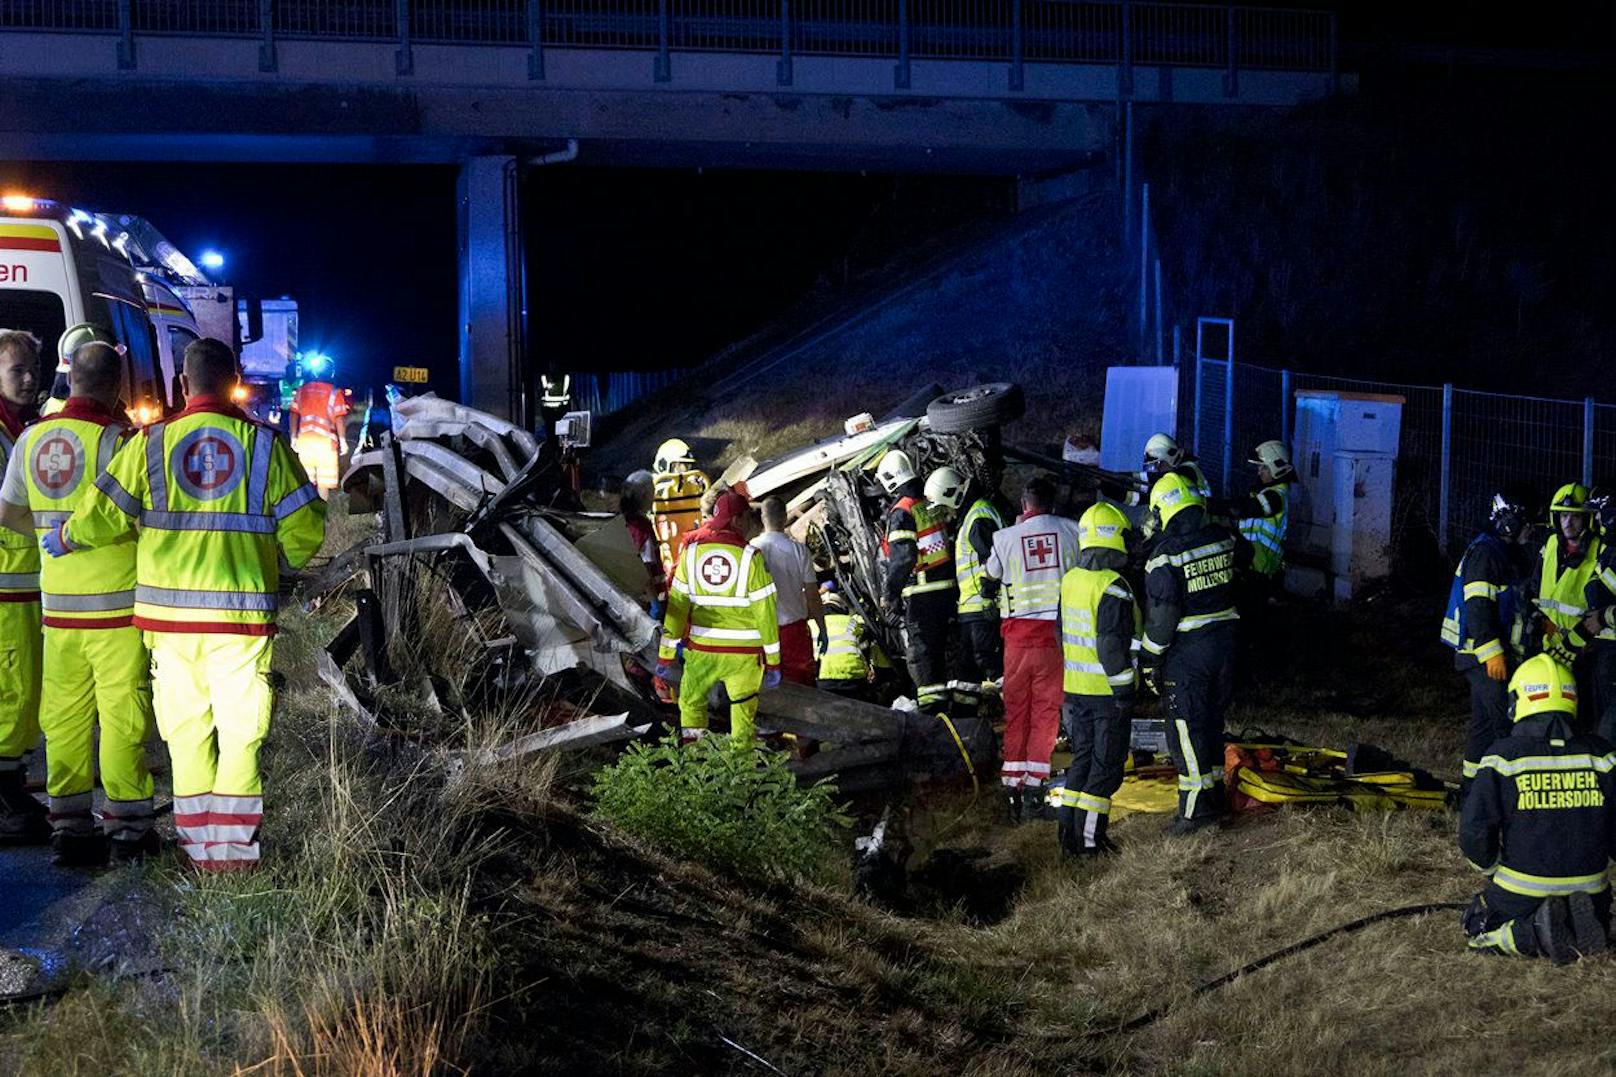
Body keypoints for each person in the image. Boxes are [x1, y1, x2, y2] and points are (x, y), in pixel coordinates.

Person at [56, 338, 328, 871]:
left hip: (169, 625)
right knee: (241, 735)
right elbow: (306, 530)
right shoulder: (266, 447)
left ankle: (196, 844)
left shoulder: (150, 444)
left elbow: (101, 514)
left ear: (183, 385)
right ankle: (230, 853)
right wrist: (281, 558)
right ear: (234, 381)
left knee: (184, 736)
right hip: (240, 623)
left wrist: (66, 536)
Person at [0, 342, 155, 866]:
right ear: (116, 387)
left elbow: (10, 512)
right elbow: (139, 520)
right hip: (115, 610)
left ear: (69, 379)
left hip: (57, 609)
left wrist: (49, 530)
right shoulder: (120, 443)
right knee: (121, 716)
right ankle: (129, 826)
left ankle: (68, 826)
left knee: (62, 717)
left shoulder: (31, 439)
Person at [1460, 654, 1614, 963]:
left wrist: (1491, 869)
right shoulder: (1604, 756)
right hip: (1592, 890)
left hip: (1522, 890)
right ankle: (1577, 922)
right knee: (1586, 909)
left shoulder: (1503, 757)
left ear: (1519, 700)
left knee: (1476, 924)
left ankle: (1531, 933)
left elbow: (1474, 832)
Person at [1141, 471, 1239, 834]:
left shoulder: (1164, 558)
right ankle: (1215, 796)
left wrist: (1149, 658)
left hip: (1189, 653)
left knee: (1185, 727)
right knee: (1212, 722)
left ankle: (1196, 812)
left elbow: (1163, 619)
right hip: (1227, 644)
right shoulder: (1222, 538)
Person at [982, 475, 1084, 820]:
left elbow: (991, 574)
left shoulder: (1004, 537)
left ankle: (1012, 786)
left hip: (1016, 638)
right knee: (1045, 711)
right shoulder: (1072, 530)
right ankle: (1035, 790)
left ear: (1024, 504)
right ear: (1052, 504)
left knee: (1017, 709)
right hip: (1056, 636)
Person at [656, 486, 780, 747]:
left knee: (691, 708)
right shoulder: (751, 557)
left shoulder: (690, 554)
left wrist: (665, 656)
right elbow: (766, 613)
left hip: (702, 653)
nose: (750, 524)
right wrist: (774, 662)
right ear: (736, 520)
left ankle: (695, 765)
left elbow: (676, 609)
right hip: (743, 658)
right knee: (743, 719)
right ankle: (741, 775)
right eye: (747, 517)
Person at [1053, 502, 1140, 856]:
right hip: (1107, 694)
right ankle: (1091, 843)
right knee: (1106, 769)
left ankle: (1068, 839)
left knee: (1083, 762)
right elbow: (1110, 646)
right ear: (1113, 539)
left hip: (1076, 692)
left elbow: (1060, 634)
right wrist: (1124, 691)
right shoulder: (1113, 586)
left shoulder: (1071, 580)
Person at [1441, 493, 1531, 792]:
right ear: (1509, 523)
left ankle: (1471, 792)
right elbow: (1478, 607)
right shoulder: (1487, 553)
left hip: (1483, 655)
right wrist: (1493, 653)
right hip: (1482, 656)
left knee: (1482, 728)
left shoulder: (1498, 551)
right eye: (1526, 524)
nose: (1530, 530)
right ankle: (1511, 795)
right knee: (1505, 724)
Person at [0, 331, 45, 844]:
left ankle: (10, 786)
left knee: (19, 691)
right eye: (18, 371)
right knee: (11, 694)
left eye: (33, 368)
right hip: (7, 585)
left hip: (22, 583)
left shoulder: (22, 427)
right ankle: (4, 794)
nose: (29, 379)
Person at [877, 449, 955, 715]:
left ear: (889, 480)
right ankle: (947, 706)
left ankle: (933, 714)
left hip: (922, 594)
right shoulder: (926, 504)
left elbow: (903, 558)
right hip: (945, 590)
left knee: (923, 655)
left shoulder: (902, 513)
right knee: (940, 651)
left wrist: (891, 593)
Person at [924, 466, 1004, 721]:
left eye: (943, 506)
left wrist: (990, 597)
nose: (945, 513)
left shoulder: (978, 518)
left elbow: (991, 561)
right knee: (967, 671)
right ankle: (962, 720)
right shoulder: (972, 515)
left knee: (988, 661)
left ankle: (1022, 707)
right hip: (971, 608)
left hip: (982, 606)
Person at [752, 496, 825, 687]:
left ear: (762, 518)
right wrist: (822, 627)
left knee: (768, 692)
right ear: (784, 518)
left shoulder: (751, 549)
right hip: (795, 633)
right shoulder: (799, 551)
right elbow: (812, 594)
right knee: (803, 690)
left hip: (761, 634)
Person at [651, 438, 710, 579]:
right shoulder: (653, 489)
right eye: (677, 466)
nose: (682, 472)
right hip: (666, 548)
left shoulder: (696, 486)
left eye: (685, 467)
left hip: (689, 547)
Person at [290, 372, 351, 498]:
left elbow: (293, 414)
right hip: (326, 444)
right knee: (323, 482)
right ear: (331, 373)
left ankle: (308, 511)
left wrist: (293, 437)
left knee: (306, 481)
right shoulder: (334, 392)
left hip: (305, 442)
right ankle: (321, 512)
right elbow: (339, 419)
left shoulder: (302, 390)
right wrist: (343, 441)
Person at [812, 585, 874, 701]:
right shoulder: (851, 622)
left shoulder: (811, 625)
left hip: (823, 680)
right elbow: (866, 633)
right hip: (853, 678)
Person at [620, 469, 666, 613]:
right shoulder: (641, 527)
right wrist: (654, 603)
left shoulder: (625, 520)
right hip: (647, 598)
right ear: (645, 495)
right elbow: (646, 566)